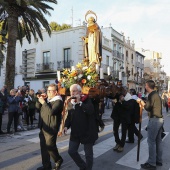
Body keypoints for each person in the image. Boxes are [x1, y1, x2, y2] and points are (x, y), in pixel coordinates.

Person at [64, 84, 98, 170]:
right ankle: (83, 166)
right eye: (71, 91)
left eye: (74, 91)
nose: (72, 93)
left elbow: (90, 111)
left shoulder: (86, 100)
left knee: (88, 155)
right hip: (75, 132)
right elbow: (69, 116)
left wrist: (80, 102)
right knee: (71, 151)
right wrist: (66, 126)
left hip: (87, 132)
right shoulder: (71, 102)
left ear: (80, 92)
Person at [36, 83, 64, 170]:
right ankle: (46, 166)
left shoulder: (58, 101)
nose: (47, 92)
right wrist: (39, 100)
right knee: (44, 148)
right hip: (43, 127)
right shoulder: (47, 100)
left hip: (51, 127)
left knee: (50, 147)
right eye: (47, 90)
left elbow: (51, 112)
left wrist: (44, 102)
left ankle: (58, 159)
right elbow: (38, 108)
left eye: (50, 91)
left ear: (55, 92)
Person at [139, 80, 164, 169]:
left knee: (151, 142)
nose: (145, 87)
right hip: (160, 119)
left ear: (148, 86)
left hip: (154, 120)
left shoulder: (151, 95)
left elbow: (148, 108)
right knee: (158, 141)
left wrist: (142, 103)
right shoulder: (156, 94)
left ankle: (152, 163)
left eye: (145, 85)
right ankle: (158, 160)